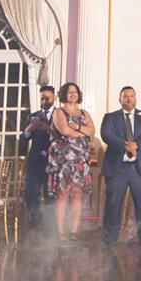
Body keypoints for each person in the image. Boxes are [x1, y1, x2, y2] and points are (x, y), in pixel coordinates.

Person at [100, 86, 141, 246]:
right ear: (120, 99)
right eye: (125, 96)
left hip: (140, 169)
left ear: (136, 98)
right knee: (113, 205)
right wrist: (125, 145)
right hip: (117, 169)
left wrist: (136, 144)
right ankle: (109, 240)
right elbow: (106, 134)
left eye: (132, 95)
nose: (129, 98)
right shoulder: (110, 117)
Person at [47, 82, 95, 239]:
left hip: (80, 158)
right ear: (64, 95)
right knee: (63, 193)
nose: (73, 95)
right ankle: (61, 232)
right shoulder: (58, 112)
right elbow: (64, 130)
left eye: (75, 92)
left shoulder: (84, 113)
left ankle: (73, 232)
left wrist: (77, 127)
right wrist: (82, 133)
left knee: (77, 194)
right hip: (63, 159)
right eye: (69, 92)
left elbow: (92, 131)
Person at [16, 84, 57, 233]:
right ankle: (37, 224)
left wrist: (48, 128)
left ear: (55, 98)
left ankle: (51, 228)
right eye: (42, 98)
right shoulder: (33, 116)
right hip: (35, 162)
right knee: (31, 194)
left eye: (47, 98)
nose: (44, 101)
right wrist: (30, 129)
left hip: (53, 162)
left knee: (51, 195)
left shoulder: (60, 115)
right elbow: (24, 139)